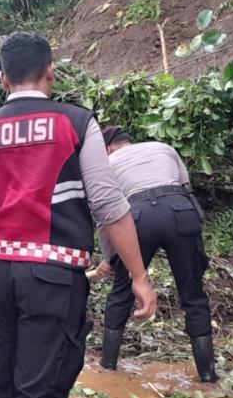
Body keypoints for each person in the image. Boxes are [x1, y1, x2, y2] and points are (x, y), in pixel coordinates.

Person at [0, 32, 157, 398]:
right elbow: (108, 205)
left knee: (5, 396)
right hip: (53, 282)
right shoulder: (77, 123)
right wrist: (138, 276)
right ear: (50, 73)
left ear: (2, 79)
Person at [93, 126, 217, 383]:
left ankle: (108, 368)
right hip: (180, 212)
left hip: (138, 218)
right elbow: (185, 188)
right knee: (193, 295)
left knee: (121, 293)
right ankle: (207, 376)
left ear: (108, 148)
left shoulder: (107, 164)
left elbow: (106, 217)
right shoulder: (164, 148)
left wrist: (111, 259)